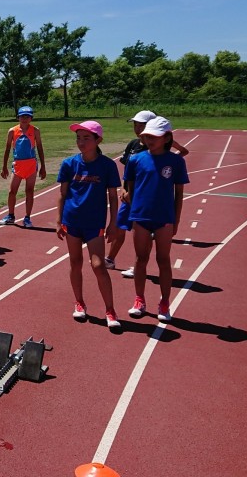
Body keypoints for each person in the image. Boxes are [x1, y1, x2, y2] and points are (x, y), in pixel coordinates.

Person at [56, 121, 123, 329]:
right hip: (72, 220)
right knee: (75, 263)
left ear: (98, 140)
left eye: (86, 138)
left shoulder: (107, 166)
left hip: (94, 223)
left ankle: (110, 310)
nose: (81, 142)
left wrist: (113, 223)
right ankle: (79, 302)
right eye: (78, 138)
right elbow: (63, 194)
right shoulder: (69, 164)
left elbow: (113, 197)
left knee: (98, 265)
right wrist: (59, 220)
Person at [122, 116, 190, 322]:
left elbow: (179, 194)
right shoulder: (136, 160)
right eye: (146, 136)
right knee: (140, 258)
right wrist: (132, 209)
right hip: (141, 216)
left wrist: (176, 220)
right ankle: (139, 299)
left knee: (163, 259)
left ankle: (164, 302)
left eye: (154, 136)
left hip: (164, 217)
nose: (149, 140)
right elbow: (129, 189)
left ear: (167, 137)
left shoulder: (176, 161)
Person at [108, 110, 190, 276]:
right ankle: (110, 258)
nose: (137, 128)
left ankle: (137, 265)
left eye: (141, 125)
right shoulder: (133, 145)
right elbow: (127, 171)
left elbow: (182, 151)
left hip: (149, 198)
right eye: (135, 124)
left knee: (145, 232)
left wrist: (167, 164)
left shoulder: (159, 144)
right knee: (120, 227)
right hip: (131, 196)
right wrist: (125, 189)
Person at [0, 106, 47, 227]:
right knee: (12, 191)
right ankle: (10, 215)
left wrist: (43, 166)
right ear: (18, 117)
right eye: (22, 116)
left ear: (31, 118)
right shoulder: (12, 131)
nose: (25, 119)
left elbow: (40, 148)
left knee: (29, 191)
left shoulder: (35, 130)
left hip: (31, 164)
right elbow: (7, 149)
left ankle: (27, 218)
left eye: (27, 116)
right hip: (18, 165)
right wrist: (4, 166)